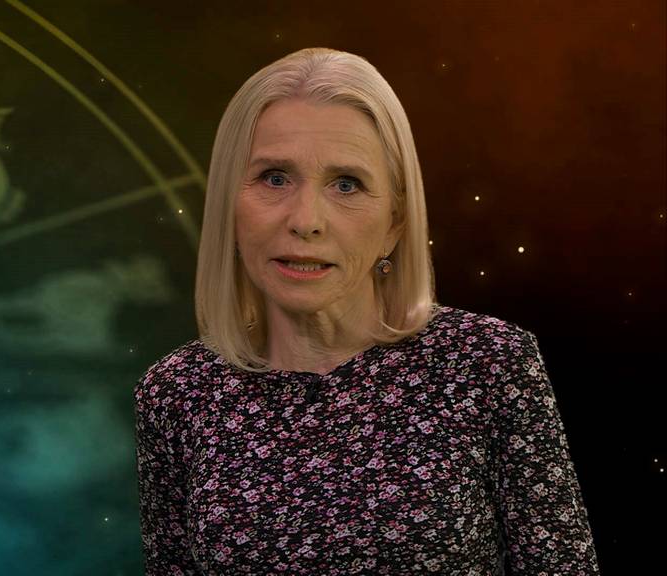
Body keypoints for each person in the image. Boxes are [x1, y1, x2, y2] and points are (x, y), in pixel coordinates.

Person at [133, 47, 600, 574]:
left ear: (395, 222)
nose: (305, 220)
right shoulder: (177, 392)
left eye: (346, 184)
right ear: (227, 203)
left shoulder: (487, 362)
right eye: (275, 178)